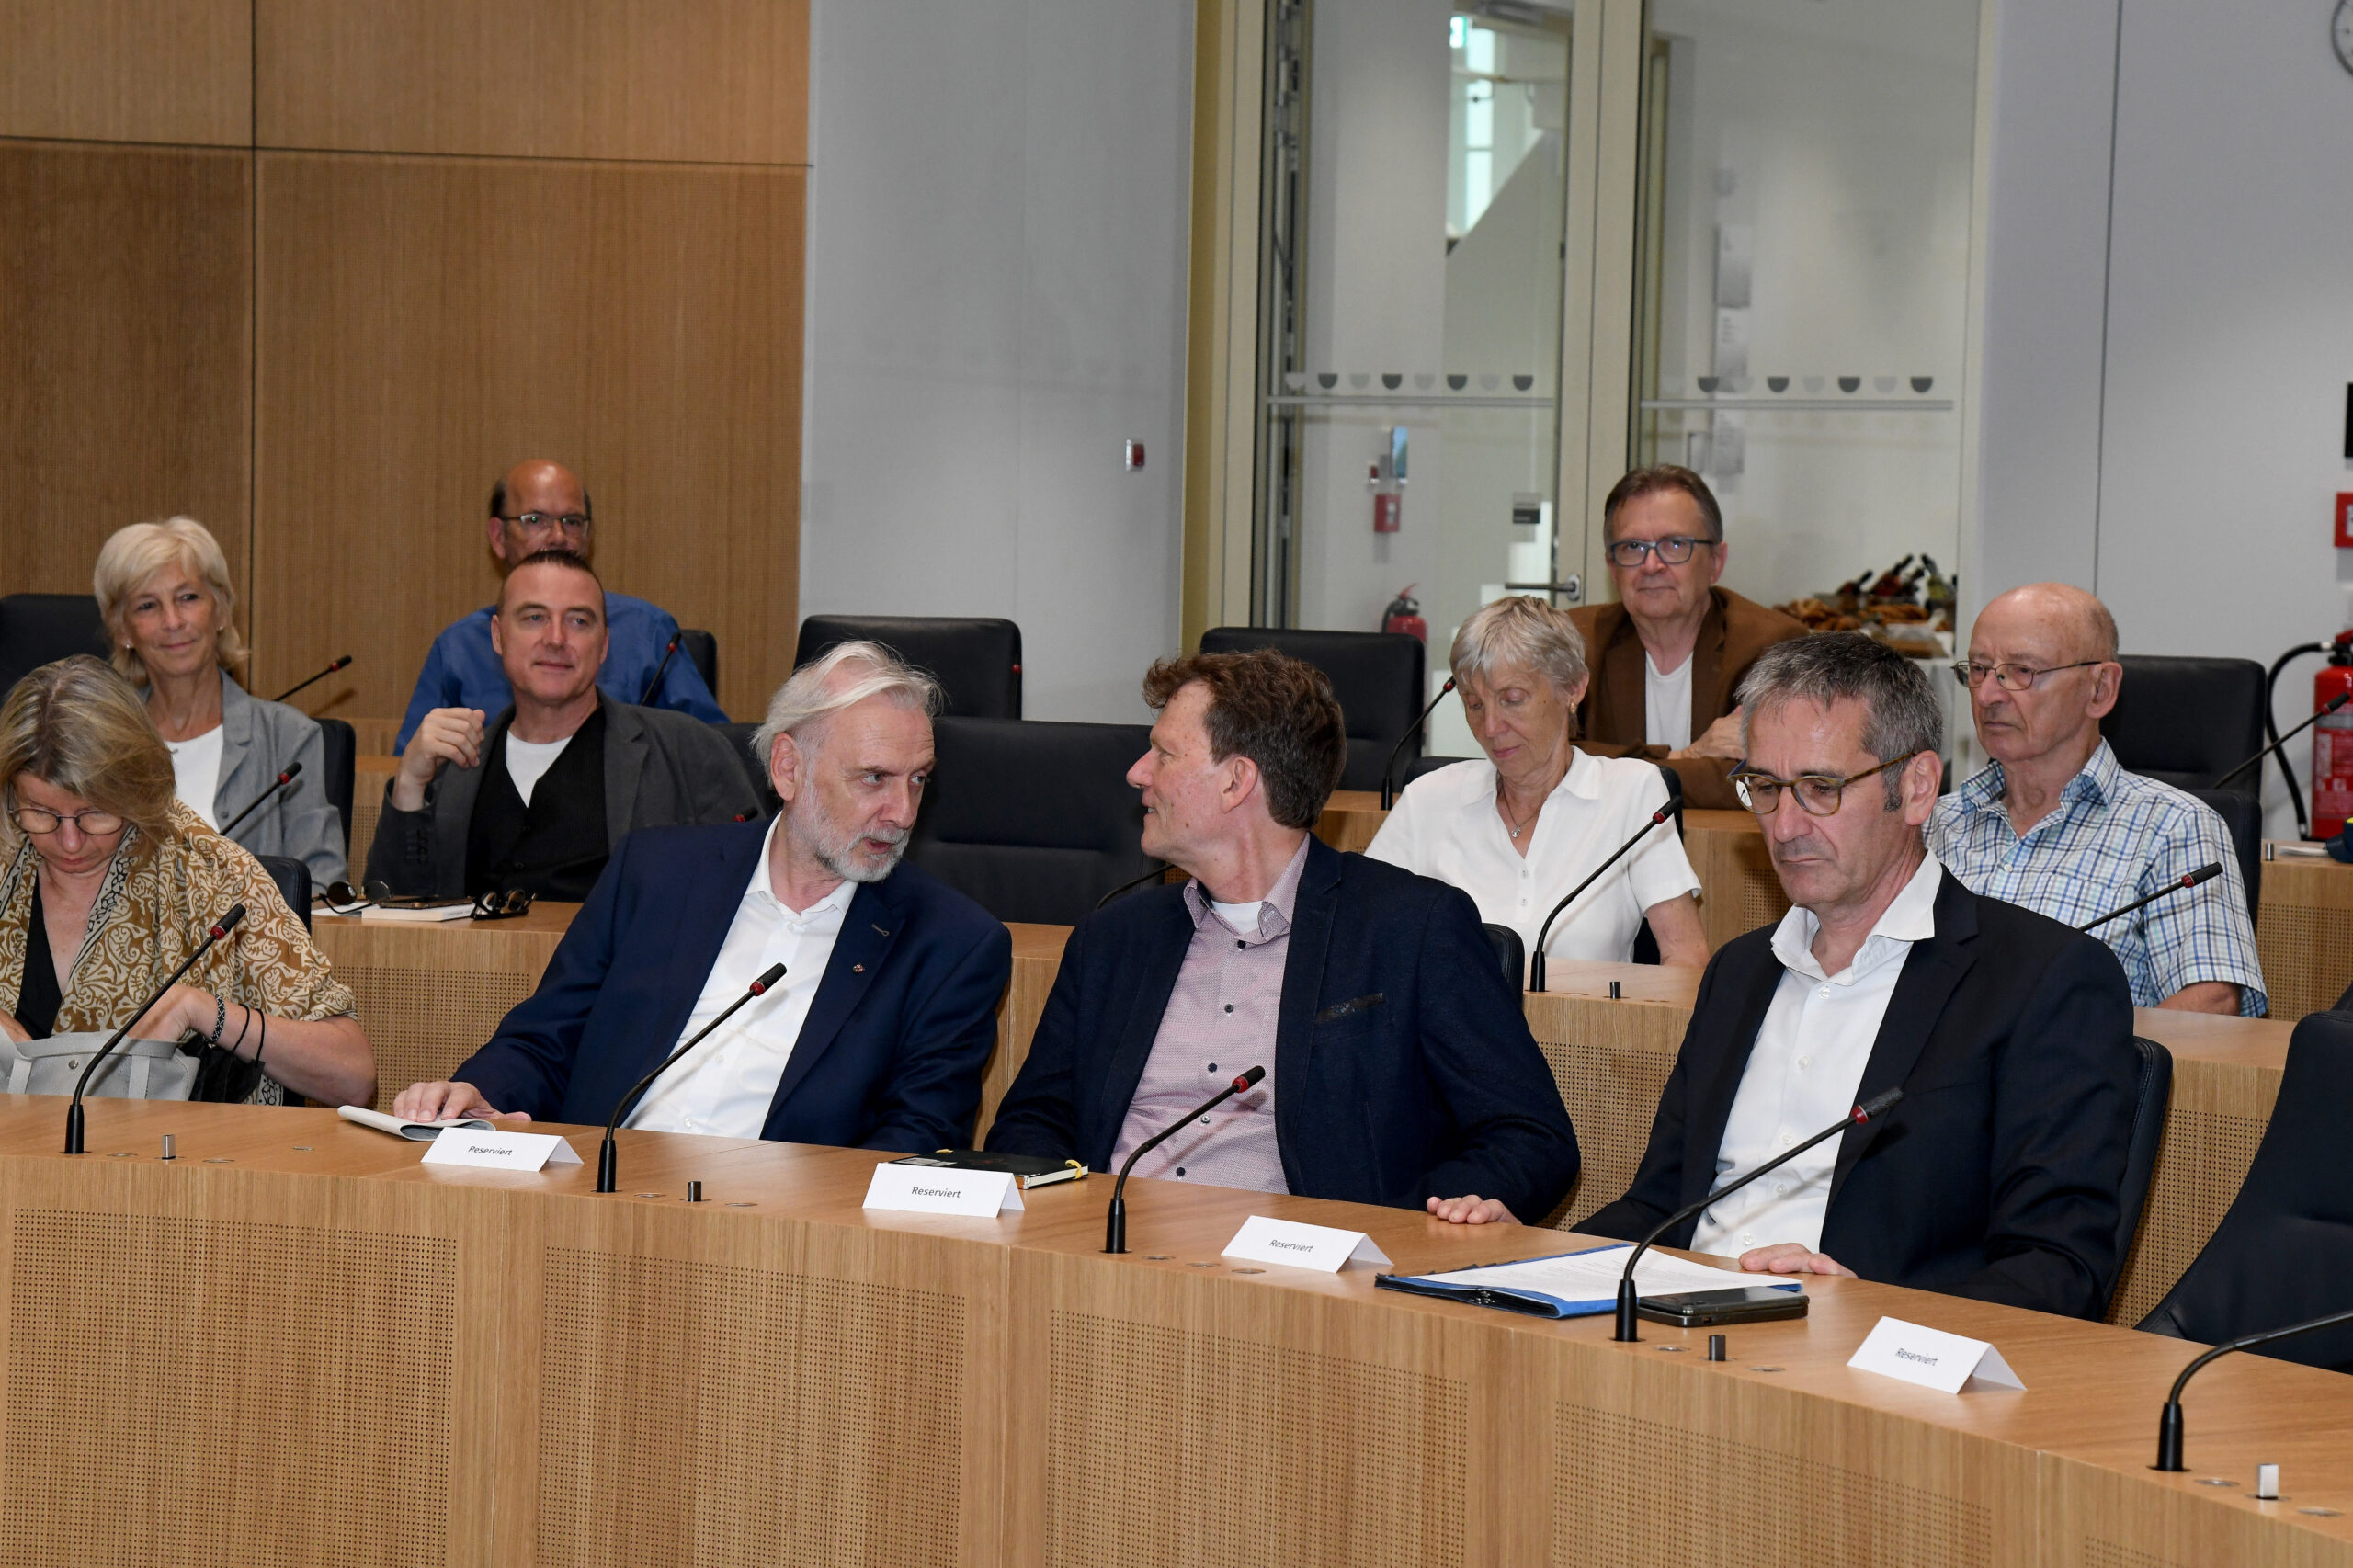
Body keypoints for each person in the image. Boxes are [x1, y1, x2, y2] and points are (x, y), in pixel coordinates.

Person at [1580, 633, 2139, 1320]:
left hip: (1871, 1379)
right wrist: (1524, 1270)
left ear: (1916, 788)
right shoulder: (1739, 971)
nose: (1785, 827)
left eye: (1820, 789)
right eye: (1764, 787)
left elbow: (2057, 1271)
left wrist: (1863, 1312)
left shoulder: (2043, 981)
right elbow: (1660, 1204)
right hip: (1683, 1343)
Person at [985, 649, 1580, 1224]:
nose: (1137, 773)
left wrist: (1414, 1227)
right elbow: (1034, 1119)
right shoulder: (1113, 937)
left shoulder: (1410, 929)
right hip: (1103, 1265)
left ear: (1236, 781)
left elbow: (1529, 1137)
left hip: (1309, 1292)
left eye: (1163, 754)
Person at [392, 642, 1010, 1153]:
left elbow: (916, 1141)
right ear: (788, 769)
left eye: (918, 781)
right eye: (874, 778)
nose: (901, 813)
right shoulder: (655, 873)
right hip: (596, 1201)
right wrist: (479, 1090)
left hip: (782, 1245)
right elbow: (546, 1039)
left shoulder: (952, 945)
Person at [0, 658, 375, 1107]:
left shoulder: (215, 875)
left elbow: (353, 1076)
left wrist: (203, 1012)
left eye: (93, 812)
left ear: (136, 789)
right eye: (41, 812)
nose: (69, 841)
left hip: (173, 1167)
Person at [1928, 583, 2266, 1017]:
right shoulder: (1932, 822)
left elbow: (2210, 1006)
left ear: (2100, 688)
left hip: (2073, 1079)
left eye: (2021, 671)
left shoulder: (2175, 827)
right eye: (1978, 669)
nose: (1989, 695)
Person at [366, 551, 758, 902]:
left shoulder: (688, 751)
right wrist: (409, 788)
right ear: (499, 637)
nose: (556, 639)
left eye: (578, 621)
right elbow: (392, 912)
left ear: (604, 645)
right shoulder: (453, 761)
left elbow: (753, 895)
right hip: (468, 979)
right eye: (535, 617)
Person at [1367, 595, 1707, 978]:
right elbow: (1359, 936)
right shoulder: (1428, 798)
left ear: (1573, 688)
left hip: (1586, 1033)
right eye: (1474, 704)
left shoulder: (1632, 792)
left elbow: (1687, 960)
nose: (1491, 727)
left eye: (1512, 700)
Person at [393, 459, 725, 751]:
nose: (557, 536)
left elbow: (713, 753)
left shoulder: (648, 632)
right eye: (535, 520)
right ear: (498, 537)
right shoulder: (458, 647)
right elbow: (416, 766)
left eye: (572, 522)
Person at [93, 517, 346, 887]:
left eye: (188, 597)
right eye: (147, 605)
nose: (173, 620)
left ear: (222, 610)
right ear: (122, 630)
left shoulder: (287, 738)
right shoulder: (99, 741)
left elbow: (322, 887)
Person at [1567, 465, 1807, 810]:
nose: (1651, 565)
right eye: (1633, 547)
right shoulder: (1574, 643)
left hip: (1720, 855)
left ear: (1716, 561)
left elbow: (1763, 787)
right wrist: (1687, 756)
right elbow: (1548, 765)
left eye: (1674, 544)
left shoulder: (1769, 645)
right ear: (1612, 566)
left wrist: (1612, 771)